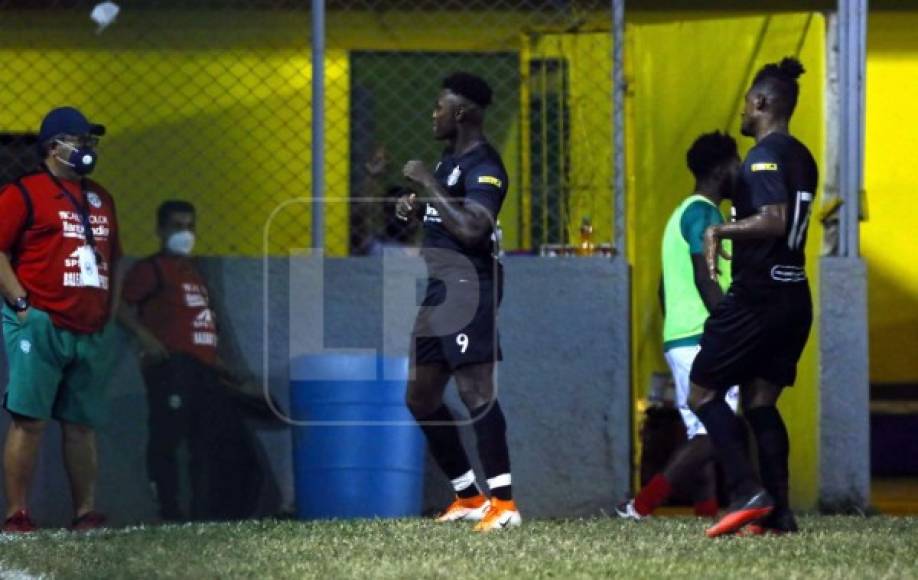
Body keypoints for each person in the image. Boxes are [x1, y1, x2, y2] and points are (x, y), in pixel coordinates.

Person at [688, 57, 818, 537]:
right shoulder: (801, 154)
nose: (742, 111)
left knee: (701, 392)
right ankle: (780, 514)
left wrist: (721, 230)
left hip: (758, 296)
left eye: (747, 102)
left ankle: (746, 491)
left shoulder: (763, 156)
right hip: (793, 295)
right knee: (762, 402)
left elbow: (775, 218)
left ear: (761, 103)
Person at [397, 72, 519, 532]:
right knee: (421, 396)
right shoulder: (449, 161)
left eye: (440, 107)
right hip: (439, 289)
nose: (434, 114)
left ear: (462, 112)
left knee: (476, 394)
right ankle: (468, 494)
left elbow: (473, 229)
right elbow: (446, 217)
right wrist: (415, 205)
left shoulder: (484, 165)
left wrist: (427, 183)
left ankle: (504, 505)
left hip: (470, 288)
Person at [0, 107, 121, 532]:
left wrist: (108, 310)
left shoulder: (101, 197)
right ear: (54, 147)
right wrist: (21, 306)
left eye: (90, 141)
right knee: (30, 420)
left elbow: (114, 258)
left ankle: (85, 512)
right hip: (40, 319)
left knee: (81, 424)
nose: (88, 149)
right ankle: (18, 513)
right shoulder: (25, 193)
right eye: (80, 140)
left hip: (88, 326)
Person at [616, 131, 740, 520]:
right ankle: (640, 506)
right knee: (719, 426)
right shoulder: (704, 213)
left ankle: (706, 509)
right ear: (721, 169)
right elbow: (706, 276)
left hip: (682, 335)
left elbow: (662, 287)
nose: (742, 170)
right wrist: (727, 324)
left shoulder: (681, 213)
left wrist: (676, 328)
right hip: (704, 334)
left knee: (700, 429)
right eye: (737, 162)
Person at [119, 201, 269, 522]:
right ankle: (170, 511)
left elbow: (202, 324)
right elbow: (119, 306)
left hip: (206, 373)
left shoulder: (195, 273)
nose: (184, 233)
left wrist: (222, 367)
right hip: (173, 367)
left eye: (189, 226)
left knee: (212, 444)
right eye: (176, 226)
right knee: (168, 441)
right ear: (161, 230)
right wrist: (146, 338)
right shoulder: (152, 269)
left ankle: (208, 513)